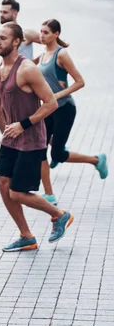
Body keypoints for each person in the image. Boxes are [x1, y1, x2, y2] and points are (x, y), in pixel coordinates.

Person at [0, 22, 74, 253]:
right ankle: (26, 236)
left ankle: (60, 215)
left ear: (16, 42)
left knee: (17, 192)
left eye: (3, 38)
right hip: (10, 139)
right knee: (3, 184)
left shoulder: (27, 70)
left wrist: (23, 125)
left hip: (31, 140)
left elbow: (51, 103)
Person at [33, 19, 108, 205]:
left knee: (57, 154)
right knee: (40, 150)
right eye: (41, 32)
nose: (41, 36)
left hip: (64, 109)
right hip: (48, 109)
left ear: (56, 34)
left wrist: (58, 95)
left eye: (46, 32)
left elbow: (80, 81)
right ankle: (49, 194)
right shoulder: (43, 54)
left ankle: (96, 160)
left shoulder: (61, 54)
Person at [0, 0, 41, 167]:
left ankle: (56, 145)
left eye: (5, 12)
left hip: (27, 83)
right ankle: (10, 148)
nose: (1, 15)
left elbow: (49, 42)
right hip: (7, 81)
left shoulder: (27, 34)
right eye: (0, 12)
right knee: (3, 114)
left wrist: (38, 62)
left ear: (15, 13)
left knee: (32, 118)